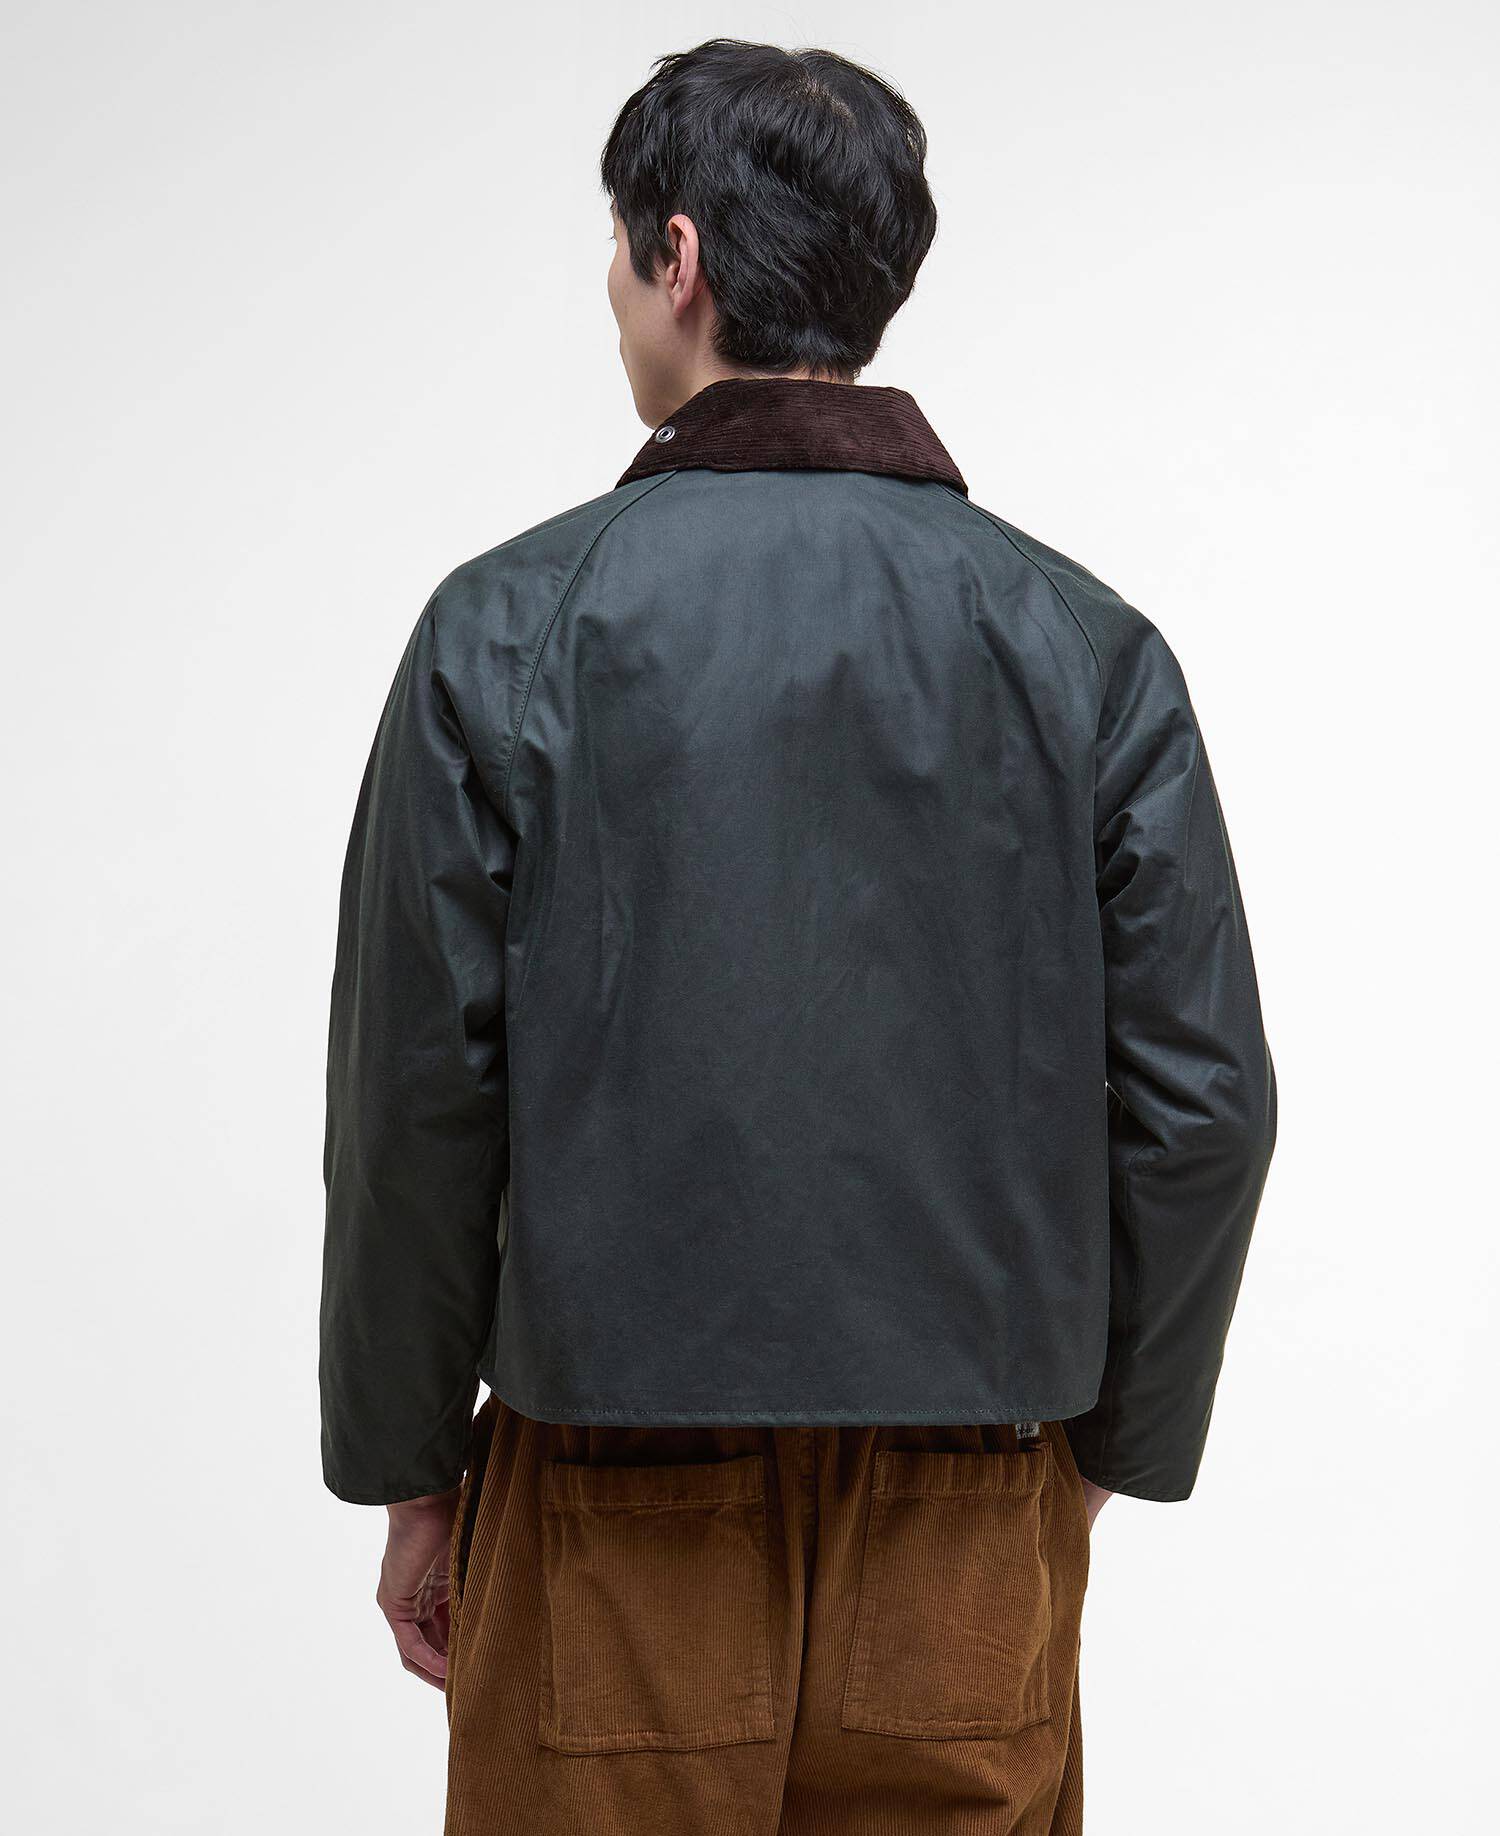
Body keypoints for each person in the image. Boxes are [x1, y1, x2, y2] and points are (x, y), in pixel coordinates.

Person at [320, 37, 1276, 1835]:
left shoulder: (507, 631)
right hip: (970, 1506)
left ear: (676, 256)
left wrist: (411, 1471)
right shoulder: (1087, 648)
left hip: (607, 1515)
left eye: (620, 252)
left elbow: (415, 1102)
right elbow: (1204, 1106)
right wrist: (1103, 1456)